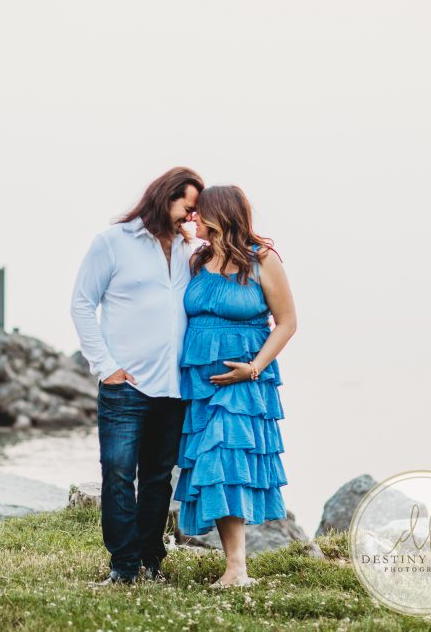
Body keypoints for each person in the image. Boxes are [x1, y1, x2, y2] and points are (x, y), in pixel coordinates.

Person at [70, 166, 206, 585]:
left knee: (158, 481)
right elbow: (81, 303)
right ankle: (124, 566)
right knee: (117, 475)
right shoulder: (113, 242)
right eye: (188, 206)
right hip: (125, 386)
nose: (192, 216)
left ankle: (151, 561)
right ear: (165, 197)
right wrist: (106, 367)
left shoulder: (191, 250)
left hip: (174, 387)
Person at [172, 184, 296, 589]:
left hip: (243, 380)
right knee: (212, 467)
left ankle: (237, 568)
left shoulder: (263, 260)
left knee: (226, 461)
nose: (192, 217)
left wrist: (255, 368)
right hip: (199, 384)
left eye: (199, 212)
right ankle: (233, 565)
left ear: (218, 214)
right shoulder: (197, 259)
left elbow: (288, 323)